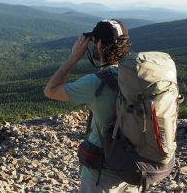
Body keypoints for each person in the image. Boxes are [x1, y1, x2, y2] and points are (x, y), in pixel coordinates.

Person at [44, 19, 138, 193]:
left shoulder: (96, 83)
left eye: (94, 42)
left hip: (101, 173)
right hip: (134, 169)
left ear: (100, 43)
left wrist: (73, 57)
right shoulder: (137, 78)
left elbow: (50, 90)